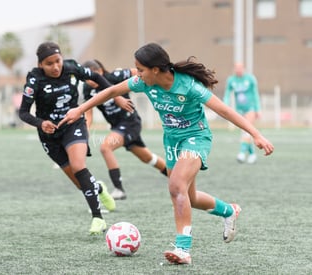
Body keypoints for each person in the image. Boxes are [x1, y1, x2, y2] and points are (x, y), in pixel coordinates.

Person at [59, 43, 274, 264]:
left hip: (196, 137)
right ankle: (229, 211)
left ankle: (183, 249)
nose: (137, 74)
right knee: (189, 197)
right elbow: (112, 90)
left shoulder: (188, 85)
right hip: (172, 141)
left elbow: (224, 110)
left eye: (140, 69)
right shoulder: (144, 83)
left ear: (155, 69)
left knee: (175, 185)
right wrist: (80, 109)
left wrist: (256, 134)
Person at [19, 42, 121, 234]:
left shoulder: (72, 68)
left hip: (73, 124)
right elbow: (23, 113)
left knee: (78, 166)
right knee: (80, 183)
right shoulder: (34, 80)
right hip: (50, 136)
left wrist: (117, 97)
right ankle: (98, 188)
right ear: (41, 64)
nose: (56, 66)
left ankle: (98, 218)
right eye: (49, 63)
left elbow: (97, 77)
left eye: (58, 61)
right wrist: (40, 123)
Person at [82, 59, 167, 200]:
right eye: (86, 79)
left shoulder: (115, 76)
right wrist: (84, 135)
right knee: (147, 158)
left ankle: (119, 189)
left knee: (105, 147)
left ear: (100, 71)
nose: (90, 81)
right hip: (117, 127)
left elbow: (136, 72)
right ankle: (176, 177)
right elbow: (88, 114)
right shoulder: (88, 89)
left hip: (130, 122)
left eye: (92, 76)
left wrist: (155, 82)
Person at [224, 63, 261, 164]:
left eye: (240, 68)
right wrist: (225, 106)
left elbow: (255, 94)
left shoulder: (250, 79)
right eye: (236, 68)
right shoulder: (231, 80)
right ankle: (252, 154)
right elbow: (227, 93)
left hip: (251, 108)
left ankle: (241, 152)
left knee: (247, 130)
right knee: (245, 131)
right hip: (239, 110)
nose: (238, 70)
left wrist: (258, 109)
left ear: (244, 68)